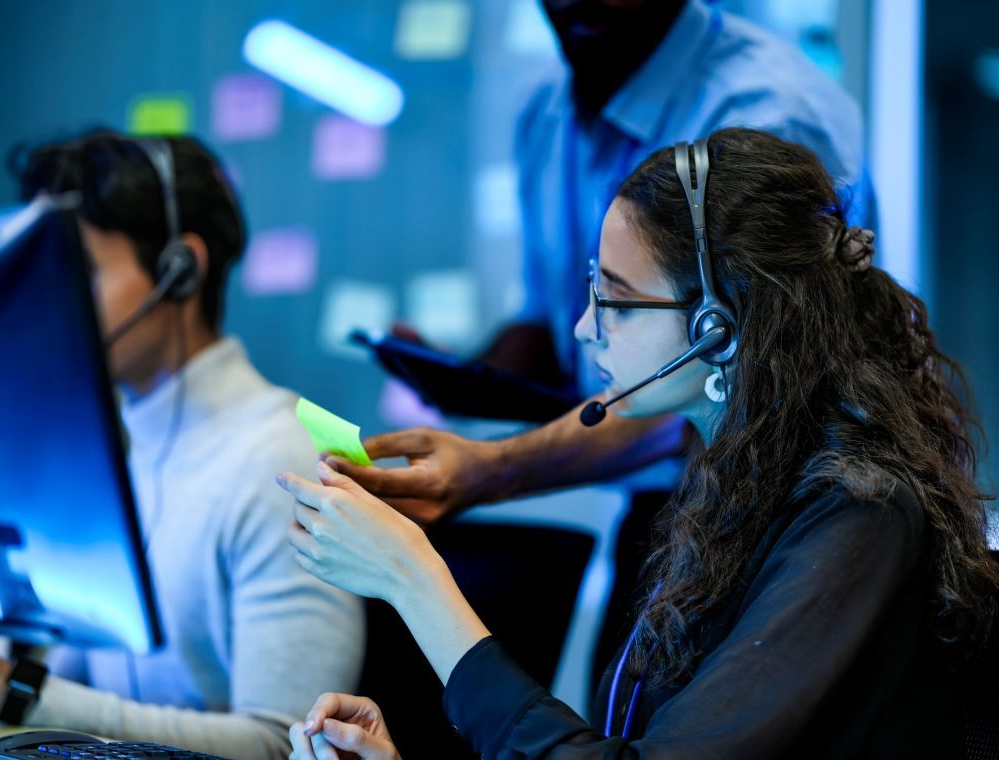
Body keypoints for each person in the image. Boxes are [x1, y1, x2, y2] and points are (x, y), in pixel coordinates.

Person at [276, 128, 999, 758]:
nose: (585, 327)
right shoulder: (734, 483)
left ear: (719, 326)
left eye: (616, 299)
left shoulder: (857, 515)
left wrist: (415, 580)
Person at [362, 0, 876, 673]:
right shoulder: (545, 112)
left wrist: (491, 469)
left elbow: (712, 374)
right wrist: (464, 375)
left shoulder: (766, 109)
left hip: (767, 510)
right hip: (663, 508)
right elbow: (561, 322)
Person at [0, 132, 364, 760]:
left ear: (178, 270)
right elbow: (65, 672)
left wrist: (18, 693)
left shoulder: (280, 462)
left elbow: (284, 745)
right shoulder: (95, 451)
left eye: (77, 273)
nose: (45, 306)